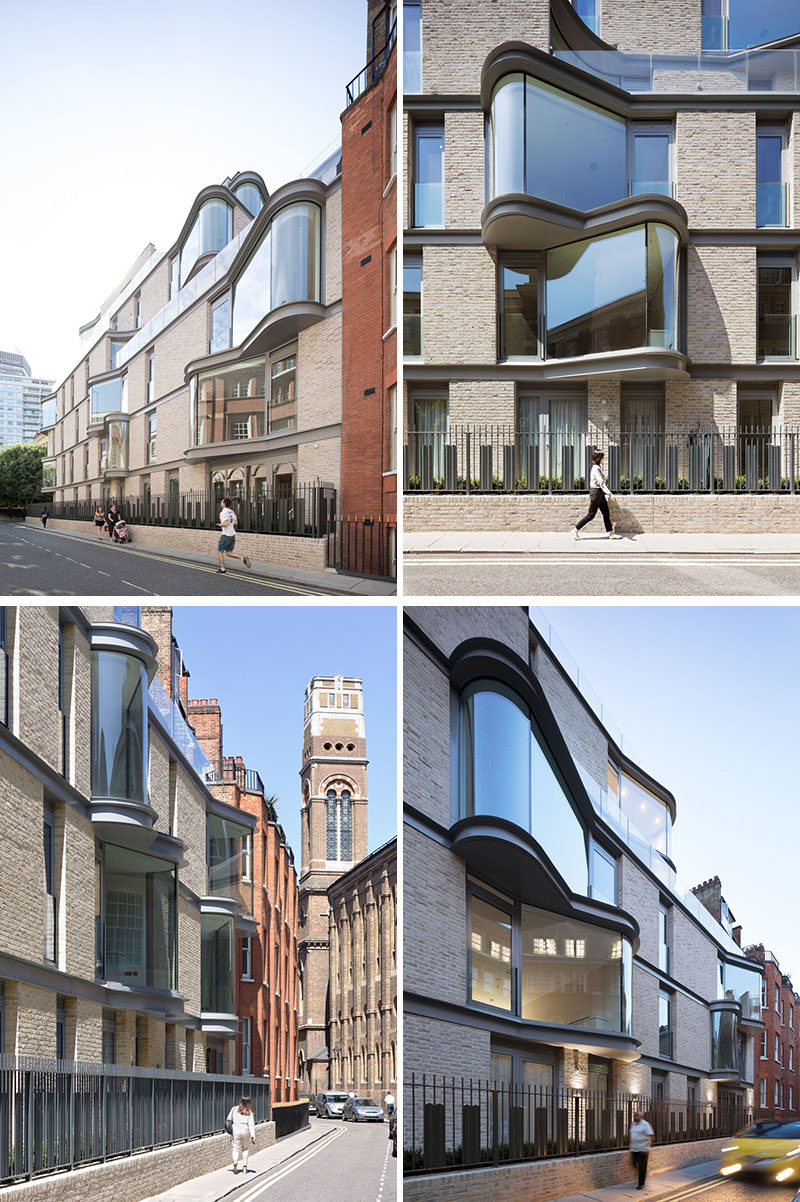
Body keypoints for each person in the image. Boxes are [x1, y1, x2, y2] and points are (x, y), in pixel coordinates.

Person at [573, 451, 620, 539]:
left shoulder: (598, 467)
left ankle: (611, 534)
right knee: (591, 515)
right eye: (603, 458)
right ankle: (576, 529)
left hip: (600, 493)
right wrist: (610, 494)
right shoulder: (596, 469)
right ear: (599, 459)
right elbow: (601, 483)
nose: (604, 459)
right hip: (596, 493)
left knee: (606, 513)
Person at [216, 497, 251, 574]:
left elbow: (225, 524)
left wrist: (219, 524)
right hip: (232, 536)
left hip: (225, 536)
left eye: (221, 501)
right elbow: (235, 522)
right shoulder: (231, 511)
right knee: (228, 553)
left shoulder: (223, 512)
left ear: (224, 503)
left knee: (220, 551)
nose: (221, 503)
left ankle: (222, 569)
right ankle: (243, 559)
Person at [227, 1096, 256, 1174]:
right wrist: (253, 1136)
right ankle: (244, 1167)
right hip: (246, 1131)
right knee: (245, 1148)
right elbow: (251, 1125)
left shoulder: (234, 1109)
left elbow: (228, 1119)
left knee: (235, 1149)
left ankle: (235, 1162)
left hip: (236, 1131)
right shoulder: (249, 1111)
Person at [629, 1110, 654, 1190]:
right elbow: (632, 1135)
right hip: (634, 1148)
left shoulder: (645, 1124)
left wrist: (648, 1147)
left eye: (637, 1115)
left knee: (642, 1167)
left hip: (643, 1149)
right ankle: (641, 1175)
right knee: (633, 1164)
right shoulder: (633, 1124)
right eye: (634, 1115)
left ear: (641, 1117)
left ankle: (641, 1183)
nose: (635, 1117)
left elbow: (651, 1135)